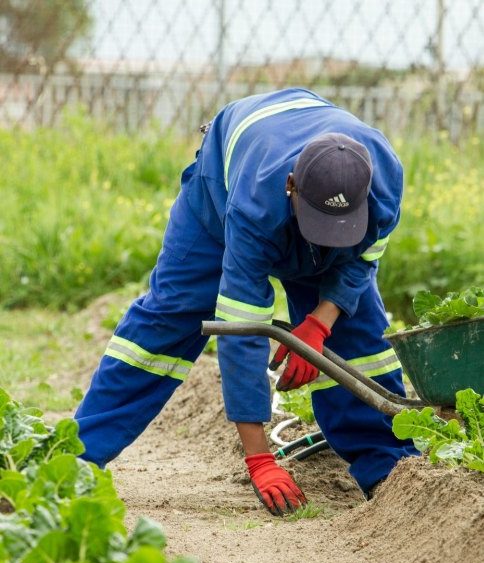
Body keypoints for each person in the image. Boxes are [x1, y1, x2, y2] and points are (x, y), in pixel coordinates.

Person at [75, 87, 418, 515]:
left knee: (356, 337)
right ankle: (78, 458)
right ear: (291, 187)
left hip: (310, 182)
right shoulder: (256, 204)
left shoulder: (384, 182)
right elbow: (243, 332)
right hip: (221, 189)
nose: (326, 240)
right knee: (170, 318)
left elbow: (361, 261)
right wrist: (259, 457)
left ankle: (390, 469)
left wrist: (320, 323)